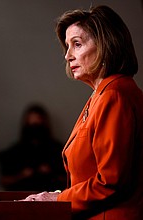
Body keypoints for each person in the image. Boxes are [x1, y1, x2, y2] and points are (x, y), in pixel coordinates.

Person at [21, 5, 143, 220]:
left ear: (106, 46)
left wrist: (58, 200)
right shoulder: (102, 95)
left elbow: (111, 182)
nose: (67, 56)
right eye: (67, 47)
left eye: (76, 44)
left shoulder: (114, 95)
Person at [0, 104, 66, 191]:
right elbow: (5, 181)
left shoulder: (58, 150)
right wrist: (21, 175)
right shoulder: (14, 152)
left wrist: (51, 172)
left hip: (50, 198)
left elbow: (69, 179)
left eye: (38, 122)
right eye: (32, 122)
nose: (35, 126)